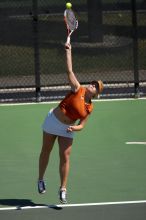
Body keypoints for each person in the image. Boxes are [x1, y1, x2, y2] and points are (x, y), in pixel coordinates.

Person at [38, 42, 104, 204]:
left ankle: (63, 189)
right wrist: (68, 51)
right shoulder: (78, 88)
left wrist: (76, 128)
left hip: (68, 129)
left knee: (65, 157)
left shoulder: (90, 107)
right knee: (46, 151)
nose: (93, 85)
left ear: (96, 94)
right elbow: (69, 70)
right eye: (93, 83)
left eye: (96, 86)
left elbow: (82, 124)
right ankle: (40, 179)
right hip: (53, 121)